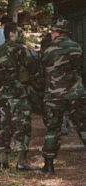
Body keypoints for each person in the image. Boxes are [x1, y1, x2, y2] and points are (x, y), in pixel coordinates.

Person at [41, 17, 86, 174]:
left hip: (55, 94)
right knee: (82, 125)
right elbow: (78, 68)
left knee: (53, 127)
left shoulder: (48, 50)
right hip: (75, 92)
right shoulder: (76, 47)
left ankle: (48, 165)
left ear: (56, 32)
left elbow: (43, 70)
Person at [0, 23, 35, 171]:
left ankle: (2, 160)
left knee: (5, 126)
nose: (22, 34)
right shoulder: (20, 49)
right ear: (11, 33)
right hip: (19, 94)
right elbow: (33, 68)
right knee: (22, 127)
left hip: (4, 94)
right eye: (19, 31)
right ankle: (21, 161)